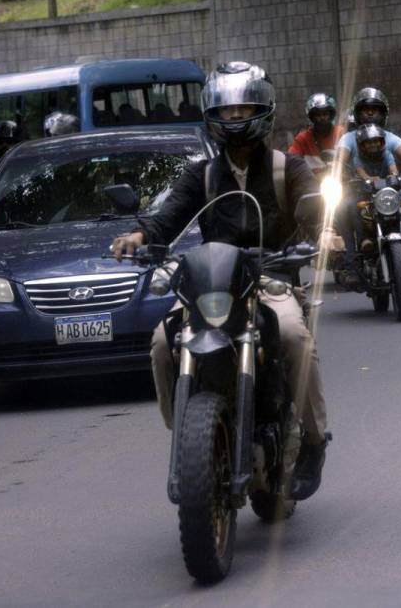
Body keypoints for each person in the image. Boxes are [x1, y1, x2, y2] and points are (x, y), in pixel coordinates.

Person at [111, 61, 335, 501]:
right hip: (215, 284)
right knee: (161, 341)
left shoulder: (285, 167)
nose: (234, 119)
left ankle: (313, 440)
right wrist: (140, 235)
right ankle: (188, 440)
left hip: (272, 279)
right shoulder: (203, 174)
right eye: (226, 111)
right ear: (212, 114)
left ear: (263, 110)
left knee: (293, 337)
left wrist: (326, 229)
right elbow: (169, 215)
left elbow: (312, 203)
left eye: (243, 109)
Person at [336, 87, 401, 282]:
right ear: (357, 114)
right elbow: (340, 160)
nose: (371, 112)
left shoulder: (389, 138)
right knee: (344, 209)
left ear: (383, 114)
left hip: (390, 192)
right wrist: (337, 170)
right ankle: (351, 266)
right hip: (359, 191)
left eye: (376, 109)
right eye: (366, 109)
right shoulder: (348, 139)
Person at [287, 93, 345, 177]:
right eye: (318, 115)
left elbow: (353, 157)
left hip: (340, 181)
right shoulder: (303, 138)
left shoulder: (341, 132)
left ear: (331, 115)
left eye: (325, 114)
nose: (322, 118)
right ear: (312, 118)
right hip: (312, 183)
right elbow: (291, 160)